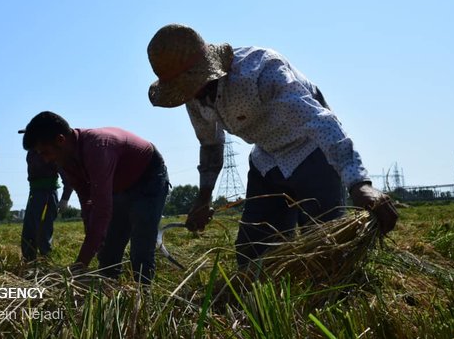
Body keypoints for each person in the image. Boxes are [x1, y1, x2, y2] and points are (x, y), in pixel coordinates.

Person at [146, 24, 398, 269]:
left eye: (188, 85)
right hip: (267, 162)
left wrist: (359, 183)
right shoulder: (195, 99)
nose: (188, 94)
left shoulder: (261, 70)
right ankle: (266, 306)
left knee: (327, 248)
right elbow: (210, 144)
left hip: (311, 152)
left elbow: (319, 121)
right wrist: (203, 197)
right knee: (253, 253)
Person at [20, 111, 169, 284]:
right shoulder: (67, 160)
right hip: (118, 186)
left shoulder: (97, 148)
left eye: (45, 152)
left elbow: (102, 211)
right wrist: (92, 242)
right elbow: (88, 204)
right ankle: (109, 293)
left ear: (60, 140)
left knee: (141, 249)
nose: (45, 160)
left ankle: (143, 298)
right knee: (108, 256)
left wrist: (80, 265)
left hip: (148, 179)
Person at [20, 147, 72, 262]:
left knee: (43, 236)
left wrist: (65, 199)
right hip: (33, 194)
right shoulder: (31, 152)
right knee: (28, 234)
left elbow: (68, 178)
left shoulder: (52, 151)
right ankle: (29, 265)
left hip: (48, 195)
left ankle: (47, 265)